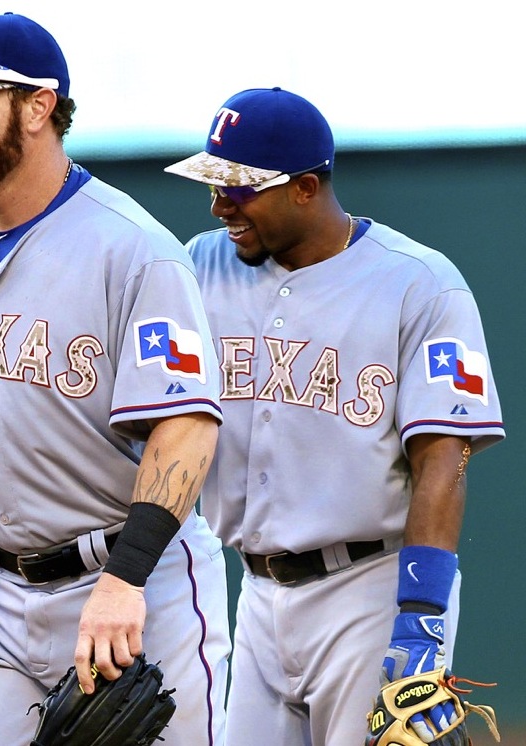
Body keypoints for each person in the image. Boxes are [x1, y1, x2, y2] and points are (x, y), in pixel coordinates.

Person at [0, 14, 230, 745]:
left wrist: (128, 578)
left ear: (38, 107)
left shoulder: (135, 250)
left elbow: (188, 429)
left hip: (134, 585)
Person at [164, 87, 505, 745]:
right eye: (215, 186)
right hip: (257, 595)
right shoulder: (199, 265)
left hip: (370, 593)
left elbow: (443, 460)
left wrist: (422, 617)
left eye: (240, 189)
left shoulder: (420, 283)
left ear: (305, 188)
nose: (219, 205)